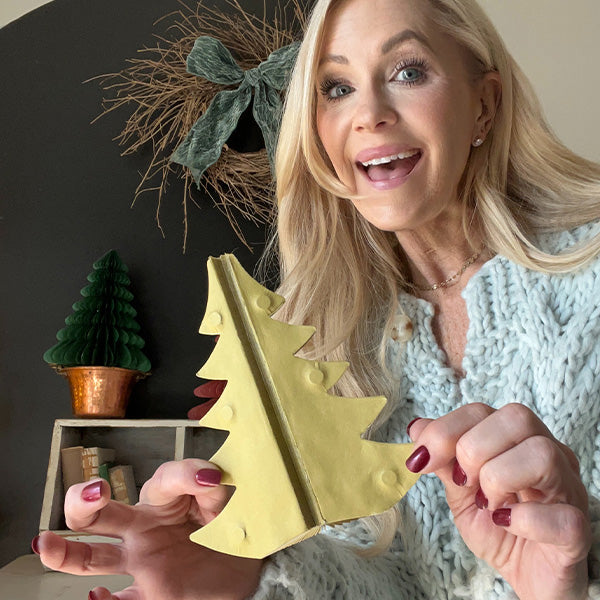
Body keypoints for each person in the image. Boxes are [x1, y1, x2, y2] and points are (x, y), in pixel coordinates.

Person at [33, 0, 600, 597]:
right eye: (336, 88)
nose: (369, 114)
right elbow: (382, 578)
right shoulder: (319, 333)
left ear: (484, 103)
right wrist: (245, 577)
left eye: (408, 72)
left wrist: (571, 580)